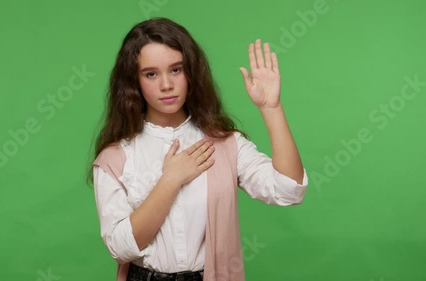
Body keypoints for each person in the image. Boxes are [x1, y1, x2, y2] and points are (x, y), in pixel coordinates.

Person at [89, 17, 308, 281]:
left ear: (191, 72)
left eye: (176, 70)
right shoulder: (115, 158)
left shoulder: (225, 145)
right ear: (134, 82)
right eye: (151, 74)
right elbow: (119, 248)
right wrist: (170, 180)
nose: (166, 85)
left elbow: (288, 190)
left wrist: (271, 108)